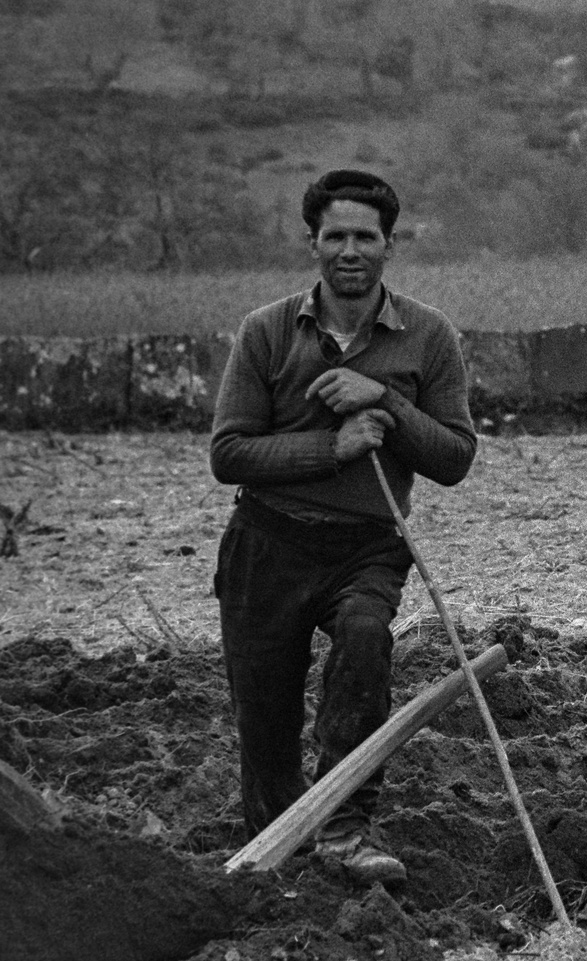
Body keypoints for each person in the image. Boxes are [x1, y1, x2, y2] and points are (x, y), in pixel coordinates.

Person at [211, 169, 476, 885]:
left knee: (365, 643)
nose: (350, 250)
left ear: (391, 245)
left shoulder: (429, 336)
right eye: (336, 236)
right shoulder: (265, 333)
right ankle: (273, 857)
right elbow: (228, 454)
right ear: (313, 244)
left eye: (366, 236)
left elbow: (454, 458)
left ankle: (347, 829)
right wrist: (332, 447)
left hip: (367, 547)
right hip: (266, 543)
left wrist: (383, 401)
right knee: (264, 721)